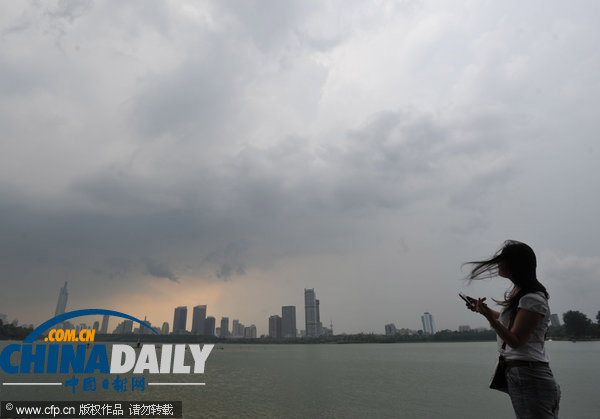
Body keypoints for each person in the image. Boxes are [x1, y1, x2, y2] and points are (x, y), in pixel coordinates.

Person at [463, 240, 560, 418]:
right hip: (522, 374)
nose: (498, 264)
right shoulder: (520, 292)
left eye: (502, 260)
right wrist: (482, 310)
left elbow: (515, 340)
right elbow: (508, 321)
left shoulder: (532, 299)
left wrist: (488, 318)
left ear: (514, 265)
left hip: (529, 374)